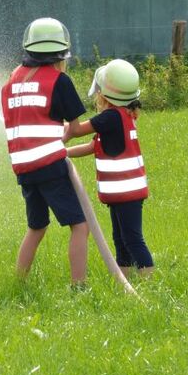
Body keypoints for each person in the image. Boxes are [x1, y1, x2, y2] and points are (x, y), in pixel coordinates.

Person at [1, 17, 89, 285]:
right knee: (80, 226)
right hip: (49, 165)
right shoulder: (59, 80)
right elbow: (73, 128)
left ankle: (19, 282)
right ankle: (79, 286)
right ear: (62, 53)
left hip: (23, 169)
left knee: (36, 227)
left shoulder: (12, 80)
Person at [66, 59, 154, 277]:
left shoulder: (111, 117)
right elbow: (91, 146)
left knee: (132, 238)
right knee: (120, 238)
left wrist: (59, 133)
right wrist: (63, 153)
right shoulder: (120, 116)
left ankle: (150, 281)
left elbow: (77, 130)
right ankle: (124, 278)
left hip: (127, 193)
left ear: (104, 94)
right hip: (121, 193)